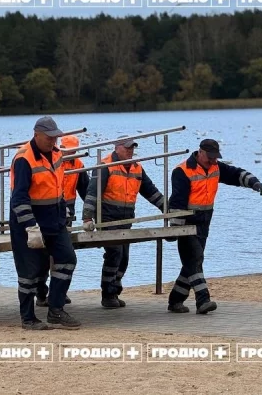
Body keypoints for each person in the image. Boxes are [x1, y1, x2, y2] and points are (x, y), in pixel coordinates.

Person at [166, 139, 262, 314]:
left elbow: (236, 174)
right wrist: (174, 229)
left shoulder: (216, 167)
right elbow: (177, 202)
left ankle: (175, 300)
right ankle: (203, 300)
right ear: (200, 152)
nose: (213, 160)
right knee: (195, 259)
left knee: (191, 263)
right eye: (210, 157)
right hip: (186, 224)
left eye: (215, 157)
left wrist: (254, 183)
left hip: (204, 222)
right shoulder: (181, 171)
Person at [9, 116, 80, 330]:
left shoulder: (57, 155)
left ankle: (56, 310)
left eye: (55, 137)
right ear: (36, 134)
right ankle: (28, 318)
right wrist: (30, 226)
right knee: (30, 272)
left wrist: (65, 208)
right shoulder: (24, 159)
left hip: (55, 220)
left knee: (67, 260)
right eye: (49, 138)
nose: (53, 141)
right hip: (30, 223)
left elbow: (58, 185)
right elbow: (19, 197)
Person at [82, 136, 165, 308]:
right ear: (117, 148)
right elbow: (92, 193)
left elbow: (151, 192)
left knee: (124, 257)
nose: (130, 151)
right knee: (114, 253)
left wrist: (167, 208)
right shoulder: (105, 166)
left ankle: (114, 288)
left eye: (132, 148)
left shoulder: (137, 168)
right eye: (127, 148)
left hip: (126, 219)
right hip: (107, 218)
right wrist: (87, 217)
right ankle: (107, 294)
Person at [35, 134, 88, 307]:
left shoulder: (78, 165)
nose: (70, 154)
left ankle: (58, 292)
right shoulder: (53, 161)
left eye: (73, 152)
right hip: (47, 213)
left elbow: (85, 191)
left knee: (62, 256)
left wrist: (90, 213)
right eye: (67, 151)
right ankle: (41, 292)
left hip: (67, 216)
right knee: (43, 256)